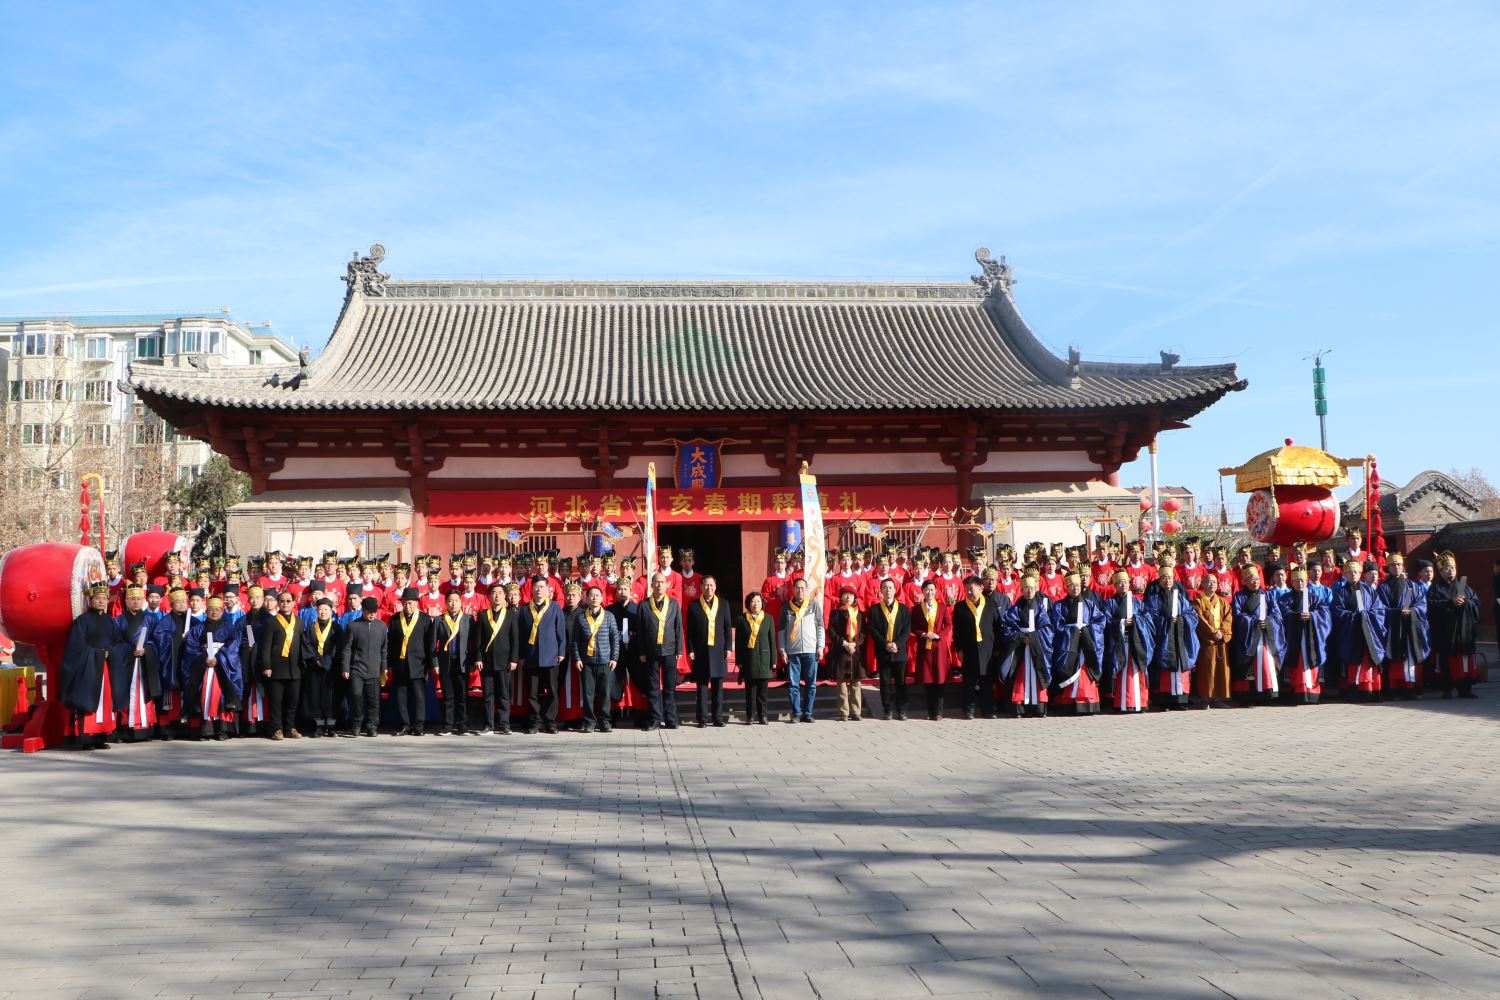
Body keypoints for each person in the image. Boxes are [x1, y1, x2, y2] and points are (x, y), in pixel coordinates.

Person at [60, 584, 117, 750]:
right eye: (97, 598)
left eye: (104, 599)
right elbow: (76, 646)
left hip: (105, 667)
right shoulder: (82, 620)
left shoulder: (110, 621)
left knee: (104, 700)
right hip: (88, 667)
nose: (101, 601)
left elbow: (117, 642)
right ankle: (87, 738)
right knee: (89, 698)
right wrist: (96, 654)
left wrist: (110, 651)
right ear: (90, 601)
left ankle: (101, 736)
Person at [183, 595, 243, 741]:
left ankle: (222, 730)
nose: (214, 612)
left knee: (222, 694)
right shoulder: (198, 628)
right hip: (203, 665)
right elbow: (191, 646)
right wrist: (205, 658)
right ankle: (205, 731)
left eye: (217, 609)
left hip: (222, 665)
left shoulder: (230, 627)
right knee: (202, 693)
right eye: (211, 609)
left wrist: (219, 658)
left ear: (222, 611)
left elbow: (233, 645)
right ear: (206, 610)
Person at [1050, 573, 1106, 715]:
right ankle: (1068, 702)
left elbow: (1100, 621)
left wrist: (1086, 630)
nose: (1075, 588)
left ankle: (1087, 702)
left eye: (1077, 585)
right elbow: (1056, 625)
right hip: (1068, 646)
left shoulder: (1089, 604)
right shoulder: (1059, 606)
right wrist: (1073, 631)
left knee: (1085, 673)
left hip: (1085, 646)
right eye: (1071, 586)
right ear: (1066, 587)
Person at [998, 575, 1053, 718]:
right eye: (1026, 588)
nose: (1029, 591)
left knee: (1038, 673)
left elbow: (1047, 627)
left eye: (1032, 588)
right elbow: (1007, 626)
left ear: (1036, 589)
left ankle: (1040, 707)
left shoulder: (1040, 608)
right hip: (1021, 647)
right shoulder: (1015, 608)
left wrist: (1033, 638)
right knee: (1021, 675)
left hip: (1036, 647)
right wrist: (1021, 637)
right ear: (1021, 590)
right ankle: (1019, 707)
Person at [1145, 565, 1199, 710]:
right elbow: (1150, 617)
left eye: (1169, 578)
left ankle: (1181, 700)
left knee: (1181, 667)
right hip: (1164, 639)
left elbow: (1192, 615)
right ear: (1159, 580)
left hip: (1180, 637)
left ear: (1173, 579)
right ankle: (1164, 701)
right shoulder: (1154, 598)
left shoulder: (1180, 598)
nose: (1167, 581)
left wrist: (1181, 620)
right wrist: (1167, 622)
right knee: (1164, 670)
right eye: (1164, 578)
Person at [1332, 561, 1388, 700]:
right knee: (1354, 661)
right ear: (1344, 574)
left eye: (1355, 572)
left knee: (1368, 660)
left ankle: (1372, 690)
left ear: (1360, 574)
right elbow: (1337, 611)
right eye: (1349, 572)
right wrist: (1354, 617)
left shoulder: (1369, 590)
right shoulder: (1340, 592)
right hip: (1351, 632)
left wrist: (1367, 616)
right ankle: (1355, 691)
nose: (1353, 574)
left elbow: (1379, 610)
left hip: (1369, 632)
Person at [634, 573, 683, 731]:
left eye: (662, 582)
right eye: (657, 582)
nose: (660, 585)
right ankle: (655, 719)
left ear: (667, 584)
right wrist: (641, 650)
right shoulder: (644, 605)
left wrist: (679, 649)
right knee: (653, 688)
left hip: (669, 651)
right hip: (650, 652)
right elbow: (640, 631)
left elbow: (678, 628)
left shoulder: (674, 604)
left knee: (670, 687)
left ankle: (670, 719)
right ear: (652, 585)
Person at [110, 584, 160, 740]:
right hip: (127, 661)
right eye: (132, 599)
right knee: (125, 693)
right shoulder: (117, 621)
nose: (136, 602)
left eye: (139, 599)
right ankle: (125, 728)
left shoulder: (150, 620)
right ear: (126, 601)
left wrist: (146, 649)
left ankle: (145, 728)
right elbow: (115, 642)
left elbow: (156, 640)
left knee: (144, 693)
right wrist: (128, 650)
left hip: (144, 661)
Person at [951, 575, 1004, 720]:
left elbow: (997, 627)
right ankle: (969, 709)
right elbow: (956, 631)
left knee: (987, 681)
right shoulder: (960, 607)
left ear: (981, 588)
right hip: (969, 649)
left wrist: (998, 647)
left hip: (987, 648)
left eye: (972, 589)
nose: (969, 592)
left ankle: (987, 709)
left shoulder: (991, 604)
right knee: (969, 682)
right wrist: (959, 649)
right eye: (967, 589)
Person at [1428, 552, 1480, 698]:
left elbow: (1476, 604)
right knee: (1446, 660)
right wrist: (1450, 603)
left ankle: (1465, 689)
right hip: (1445, 631)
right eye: (1447, 568)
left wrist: (1465, 603)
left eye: (1452, 567)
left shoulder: (1464, 587)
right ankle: (1447, 689)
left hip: (1463, 631)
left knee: (1464, 659)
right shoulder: (1435, 589)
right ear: (1440, 571)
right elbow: (1431, 606)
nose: (1450, 570)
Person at [1378, 554, 1430, 701]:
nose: (1396, 567)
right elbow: (1380, 607)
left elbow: (1422, 604)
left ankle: (1410, 687)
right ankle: (1394, 688)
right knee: (1394, 660)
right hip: (1393, 628)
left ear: (1403, 566)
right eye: (1393, 565)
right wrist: (1396, 613)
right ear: (1388, 568)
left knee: (1410, 659)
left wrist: (1412, 611)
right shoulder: (1383, 587)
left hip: (1409, 627)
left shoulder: (1412, 586)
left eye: (1399, 564)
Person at [1230, 565, 1284, 706]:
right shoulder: (1239, 596)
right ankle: (1248, 696)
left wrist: (1268, 622)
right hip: (1248, 637)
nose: (1255, 582)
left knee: (1267, 662)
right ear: (1245, 581)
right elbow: (1238, 615)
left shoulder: (1267, 595)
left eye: (1257, 579)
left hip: (1265, 635)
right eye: (1251, 579)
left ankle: (1267, 694)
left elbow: (1276, 614)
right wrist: (1254, 622)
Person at [518, 579, 566, 734]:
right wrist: (521, 655)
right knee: (532, 692)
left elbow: (561, 632)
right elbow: (521, 635)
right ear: (531, 589)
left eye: (542, 587)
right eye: (536, 587)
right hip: (531, 656)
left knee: (552, 690)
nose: (539, 590)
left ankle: (550, 721)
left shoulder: (555, 607)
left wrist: (561, 651)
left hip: (551, 655)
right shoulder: (525, 609)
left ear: (548, 590)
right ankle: (535, 722)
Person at [1103, 570, 1154, 713]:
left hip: (1136, 642)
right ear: (1114, 585)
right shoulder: (1110, 603)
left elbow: (1148, 621)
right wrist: (1121, 623)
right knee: (1121, 673)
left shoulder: (1138, 603)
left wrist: (1137, 622)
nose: (1123, 585)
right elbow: (1106, 622)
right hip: (1119, 643)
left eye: (1125, 582)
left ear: (1129, 584)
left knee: (1137, 671)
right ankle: (1121, 703)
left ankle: (1140, 703)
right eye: (1119, 582)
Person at [147, 586, 195, 740]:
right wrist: (177, 638)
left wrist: (191, 639)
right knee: (170, 697)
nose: (181, 604)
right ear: (171, 604)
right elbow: (159, 637)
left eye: (183, 601)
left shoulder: (192, 621)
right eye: (178, 602)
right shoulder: (165, 621)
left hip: (187, 661)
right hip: (172, 661)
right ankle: (167, 729)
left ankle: (186, 727)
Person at [1279, 567, 1331, 705]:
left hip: (1310, 637)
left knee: (1310, 662)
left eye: (1302, 580)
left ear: (1306, 581)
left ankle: (1312, 693)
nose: (1299, 583)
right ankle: (1296, 691)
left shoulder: (1314, 597)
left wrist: (1313, 616)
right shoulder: (1285, 598)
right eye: (1296, 580)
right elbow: (1283, 613)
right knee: (1297, 664)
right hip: (1293, 638)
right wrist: (1297, 616)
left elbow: (1324, 613)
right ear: (1291, 582)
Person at [685, 575, 733, 727]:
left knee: (718, 687)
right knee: (702, 688)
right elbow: (690, 630)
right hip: (701, 651)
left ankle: (718, 718)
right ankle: (702, 719)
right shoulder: (694, 606)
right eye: (706, 585)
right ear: (701, 587)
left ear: (715, 586)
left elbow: (727, 628)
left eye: (711, 585)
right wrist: (690, 649)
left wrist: (728, 648)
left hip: (719, 651)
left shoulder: (724, 604)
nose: (709, 588)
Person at [574, 584, 622, 733]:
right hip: (587, 662)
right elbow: (575, 640)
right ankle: (589, 721)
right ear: (586, 598)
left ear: (602, 598)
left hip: (605, 661)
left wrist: (614, 658)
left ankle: (604, 721)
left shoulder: (609, 616)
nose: (594, 598)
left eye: (597, 595)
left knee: (605, 694)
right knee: (588, 694)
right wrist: (577, 658)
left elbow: (615, 638)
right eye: (591, 595)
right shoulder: (580, 617)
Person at [471, 583, 518, 733]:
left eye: (500, 593)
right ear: (489, 596)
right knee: (488, 695)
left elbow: (515, 639)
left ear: (505, 596)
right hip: (487, 661)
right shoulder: (483, 615)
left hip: (505, 662)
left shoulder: (510, 615)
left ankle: (504, 725)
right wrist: (477, 658)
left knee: (504, 695)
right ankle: (488, 725)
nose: (497, 596)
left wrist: (514, 659)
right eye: (494, 593)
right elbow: (477, 640)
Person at [257, 590, 304, 741]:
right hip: (276, 668)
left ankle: (290, 727)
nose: (285, 603)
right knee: (276, 702)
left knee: (293, 701)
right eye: (282, 601)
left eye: (288, 601)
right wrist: (266, 666)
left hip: (295, 668)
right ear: (278, 603)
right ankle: (276, 729)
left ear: (293, 602)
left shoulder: (300, 621)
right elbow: (265, 647)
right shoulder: (271, 622)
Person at [388, 587, 434, 735]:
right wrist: (389, 664)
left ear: (416, 603)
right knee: (401, 696)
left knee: (418, 697)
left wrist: (429, 666)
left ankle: (419, 726)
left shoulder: (425, 619)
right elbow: (391, 643)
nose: (407, 606)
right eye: (405, 603)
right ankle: (405, 724)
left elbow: (429, 645)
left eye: (410, 603)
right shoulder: (395, 619)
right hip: (399, 664)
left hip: (419, 664)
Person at [338, 597, 386, 737]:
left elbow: (384, 649)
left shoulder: (381, 626)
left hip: (374, 669)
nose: (372, 614)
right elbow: (347, 649)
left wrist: (384, 667)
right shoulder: (353, 626)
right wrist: (345, 667)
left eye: (374, 612)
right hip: (356, 668)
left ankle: (372, 726)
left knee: (373, 700)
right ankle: (357, 723)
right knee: (356, 696)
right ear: (363, 611)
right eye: (369, 612)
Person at [779, 577, 824, 723]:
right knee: (793, 684)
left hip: (811, 650)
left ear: (807, 590)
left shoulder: (813, 605)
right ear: (793, 589)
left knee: (811, 684)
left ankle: (808, 713)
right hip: (793, 652)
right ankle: (796, 713)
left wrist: (820, 647)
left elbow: (820, 627)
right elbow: (781, 631)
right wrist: (782, 650)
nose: (800, 590)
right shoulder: (786, 607)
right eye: (797, 588)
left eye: (803, 588)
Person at [866, 577, 912, 721]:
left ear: (895, 589)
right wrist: (885, 644)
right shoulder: (874, 610)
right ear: (881, 590)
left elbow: (906, 630)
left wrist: (896, 644)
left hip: (899, 652)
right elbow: (873, 630)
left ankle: (902, 710)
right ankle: (887, 710)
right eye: (885, 587)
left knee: (901, 683)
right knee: (885, 683)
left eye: (890, 587)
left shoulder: (904, 609)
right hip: (883, 651)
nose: (888, 590)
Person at [297, 598, 343, 737]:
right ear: (316, 611)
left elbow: (338, 647)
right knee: (315, 697)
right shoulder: (311, 628)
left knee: (330, 698)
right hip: (314, 669)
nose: (323, 612)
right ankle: (318, 726)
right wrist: (317, 660)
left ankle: (330, 726)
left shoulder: (337, 628)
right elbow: (306, 646)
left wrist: (326, 662)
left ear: (331, 611)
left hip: (331, 669)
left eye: (326, 610)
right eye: (320, 609)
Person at [432, 590, 474, 735]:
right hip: (445, 662)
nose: (453, 603)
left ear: (460, 602)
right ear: (446, 603)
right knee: (448, 696)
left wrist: (474, 660)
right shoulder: (439, 620)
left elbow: (473, 642)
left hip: (462, 662)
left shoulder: (468, 619)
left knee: (462, 696)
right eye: (450, 600)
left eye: (456, 600)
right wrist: (434, 663)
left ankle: (462, 725)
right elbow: (432, 644)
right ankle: (448, 725)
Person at [910, 579, 952, 720]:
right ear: (922, 591)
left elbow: (948, 624)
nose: (930, 592)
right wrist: (922, 633)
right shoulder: (916, 609)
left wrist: (939, 635)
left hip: (939, 647)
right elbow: (913, 626)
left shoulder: (942, 608)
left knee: (939, 681)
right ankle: (930, 711)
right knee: (928, 682)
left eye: (932, 590)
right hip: (925, 647)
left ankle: (938, 712)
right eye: (927, 589)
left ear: (936, 591)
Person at [1192, 574, 1233, 708]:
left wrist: (1221, 632)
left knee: (1221, 669)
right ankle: (1205, 698)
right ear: (1202, 584)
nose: (1212, 585)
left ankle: (1217, 698)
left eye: (1214, 582)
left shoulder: (1223, 602)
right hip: (1206, 641)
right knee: (1207, 669)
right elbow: (1199, 619)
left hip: (1220, 640)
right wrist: (1212, 632)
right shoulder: (1198, 601)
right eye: (1209, 582)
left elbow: (1228, 619)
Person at [735, 592, 776, 725]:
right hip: (749, 659)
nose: (756, 604)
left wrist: (774, 661)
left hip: (764, 659)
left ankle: (763, 716)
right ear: (748, 604)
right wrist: (739, 661)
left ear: (762, 603)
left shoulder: (768, 618)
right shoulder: (742, 619)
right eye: (753, 601)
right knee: (750, 692)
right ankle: (750, 716)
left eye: (758, 601)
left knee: (763, 693)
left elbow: (772, 642)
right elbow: (739, 642)